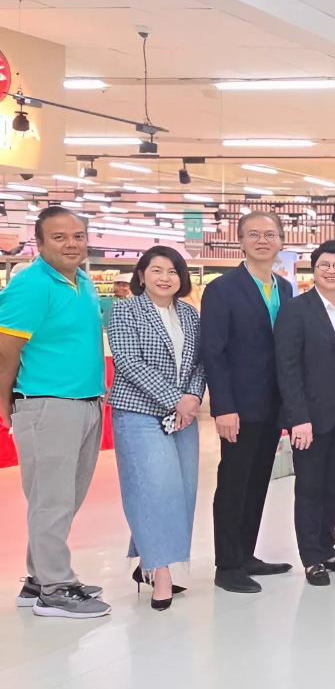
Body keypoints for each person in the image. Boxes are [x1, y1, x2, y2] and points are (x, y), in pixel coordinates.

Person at [1, 208, 112, 617]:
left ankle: (39, 578)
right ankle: (55, 588)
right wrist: (5, 403)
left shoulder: (82, 280)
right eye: (60, 237)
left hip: (85, 402)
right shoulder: (31, 284)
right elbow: (5, 351)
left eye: (78, 236)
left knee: (65, 498)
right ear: (40, 242)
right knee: (51, 500)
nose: (72, 244)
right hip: (48, 404)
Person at [201, 210, 299, 594]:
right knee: (233, 481)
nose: (262, 240)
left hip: (273, 404)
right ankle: (227, 565)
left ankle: (246, 553)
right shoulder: (222, 289)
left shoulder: (285, 288)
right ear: (240, 241)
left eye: (270, 234)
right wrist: (223, 407)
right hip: (239, 406)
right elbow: (214, 352)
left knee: (259, 479)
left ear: (281, 241)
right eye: (254, 234)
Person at [108, 246, 205, 611]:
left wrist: (192, 397)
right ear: (142, 275)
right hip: (138, 412)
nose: (165, 277)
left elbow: (200, 362)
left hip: (183, 415)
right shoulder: (126, 310)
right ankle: (160, 573)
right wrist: (175, 399)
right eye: (157, 270)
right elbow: (128, 362)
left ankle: (148, 559)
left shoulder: (190, 315)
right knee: (153, 489)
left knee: (180, 490)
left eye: (173, 271)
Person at [276, 240, 335, 586]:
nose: (331, 271)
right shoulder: (296, 310)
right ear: (313, 270)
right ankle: (311, 557)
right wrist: (298, 418)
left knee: (334, 485)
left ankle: (328, 549)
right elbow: (287, 367)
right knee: (310, 486)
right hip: (311, 414)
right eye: (324, 265)